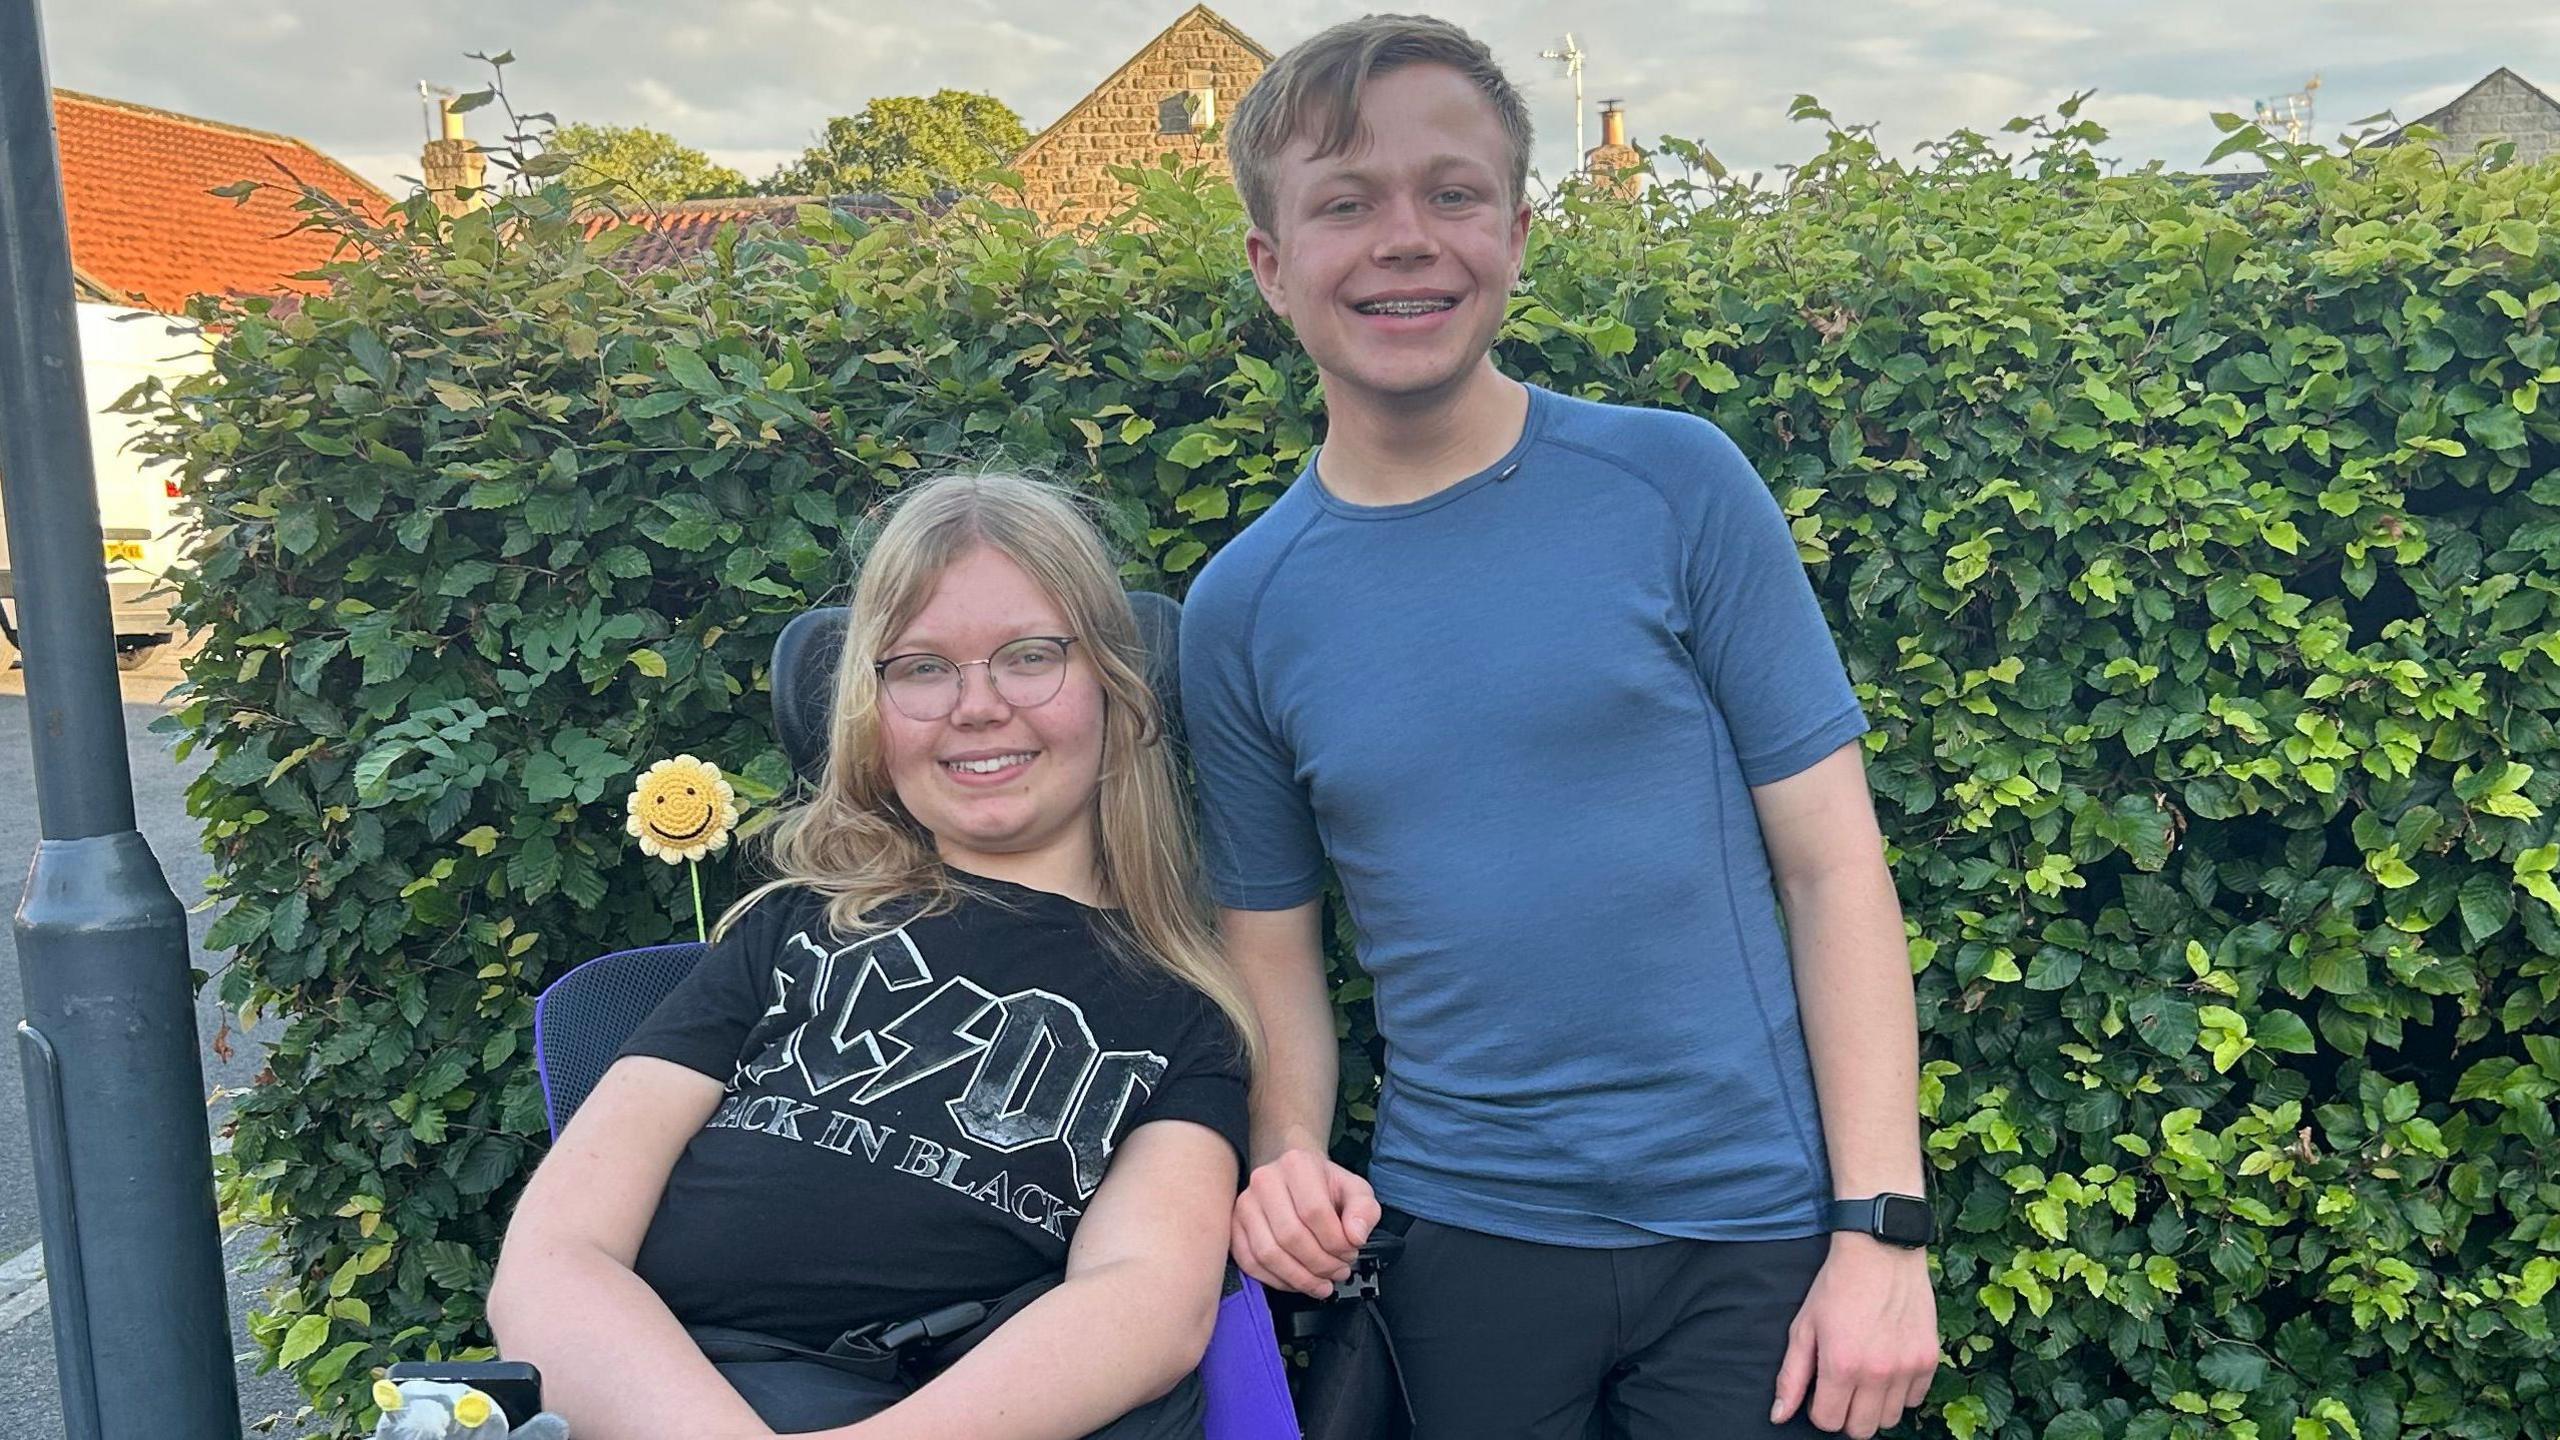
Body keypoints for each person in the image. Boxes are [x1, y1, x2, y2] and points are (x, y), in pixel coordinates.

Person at [1180, 16, 1940, 1440]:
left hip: (1756, 1240)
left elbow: (1834, 868)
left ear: (1518, 234)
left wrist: (1881, 1228)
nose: (1406, 238)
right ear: (1271, 265)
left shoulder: (1676, 486)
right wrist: (1285, 1155)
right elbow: (1271, 949)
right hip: (1457, 1242)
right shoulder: (1240, 610)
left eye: (1452, 192)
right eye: (1345, 202)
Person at [490, 472, 1258, 1440]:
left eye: (1029, 656)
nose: (976, 706)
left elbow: (1146, 1301)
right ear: (871, 708)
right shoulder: (795, 927)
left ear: (1114, 680)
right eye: (923, 668)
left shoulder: (1180, 1012)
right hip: (660, 1399)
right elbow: (557, 1254)